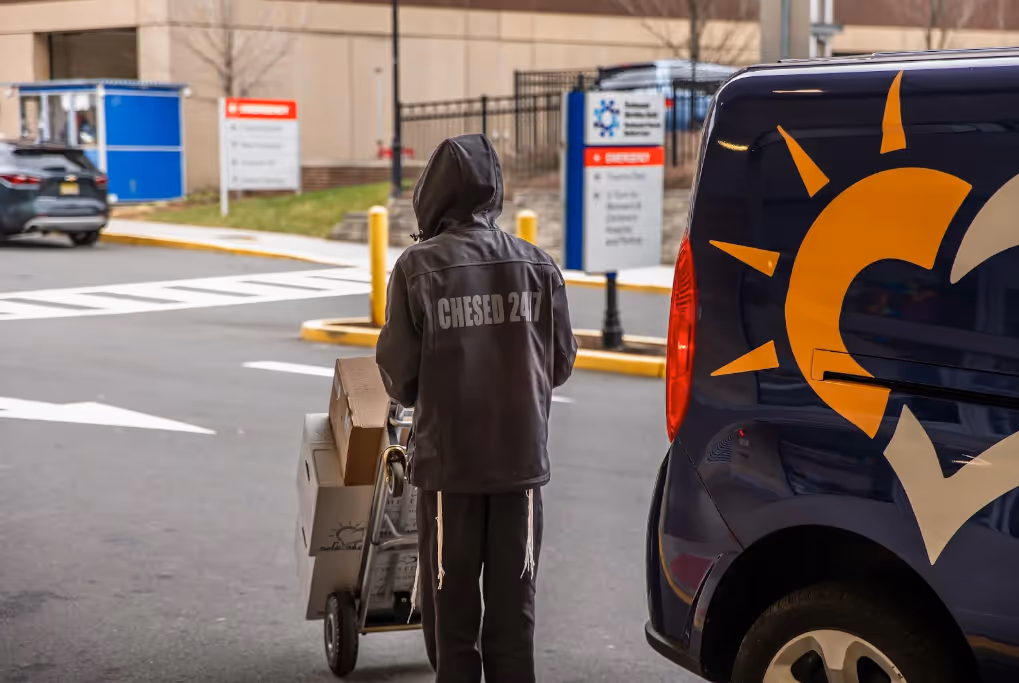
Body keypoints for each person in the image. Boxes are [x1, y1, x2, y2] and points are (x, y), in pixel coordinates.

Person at [376, 134, 577, 683]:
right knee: (515, 617)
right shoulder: (539, 266)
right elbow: (559, 365)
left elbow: (402, 378)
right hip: (521, 470)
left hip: (450, 472)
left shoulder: (418, 269)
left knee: (453, 623)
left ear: (433, 194)